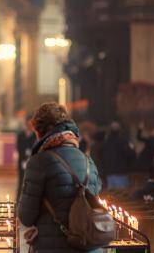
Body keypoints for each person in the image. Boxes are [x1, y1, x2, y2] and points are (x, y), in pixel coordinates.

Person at [19, 102, 102, 253]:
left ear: (42, 132)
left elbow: (26, 217)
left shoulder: (39, 162)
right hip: (88, 246)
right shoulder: (89, 161)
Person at [100, 122, 136, 189]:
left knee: (111, 196)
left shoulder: (105, 143)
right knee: (122, 195)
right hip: (121, 173)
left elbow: (102, 158)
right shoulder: (124, 142)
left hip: (109, 173)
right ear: (120, 131)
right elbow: (131, 155)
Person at [16, 114, 36, 199]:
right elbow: (18, 147)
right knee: (21, 181)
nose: (29, 126)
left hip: (32, 162)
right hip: (22, 161)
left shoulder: (35, 136)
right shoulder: (21, 135)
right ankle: (19, 200)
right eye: (28, 124)